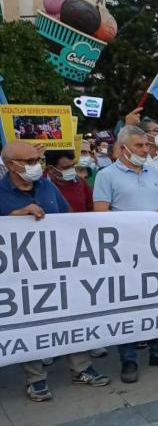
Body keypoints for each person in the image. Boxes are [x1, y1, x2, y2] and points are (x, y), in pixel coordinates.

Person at [1, 141, 111, 401]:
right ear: (9, 165)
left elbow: (67, 215)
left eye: (35, 160)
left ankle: (81, 369)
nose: (35, 167)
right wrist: (17, 216)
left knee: (73, 316)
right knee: (31, 322)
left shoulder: (47, 186)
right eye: (28, 162)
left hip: (60, 267)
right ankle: (35, 379)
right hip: (22, 275)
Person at [93, 125, 158, 383]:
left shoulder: (155, 173)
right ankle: (129, 358)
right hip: (124, 252)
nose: (145, 150)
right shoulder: (106, 176)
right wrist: (137, 221)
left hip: (156, 251)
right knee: (128, 306)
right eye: (139, 146)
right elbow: (100, 214)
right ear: (123, 148)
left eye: (146, 145)